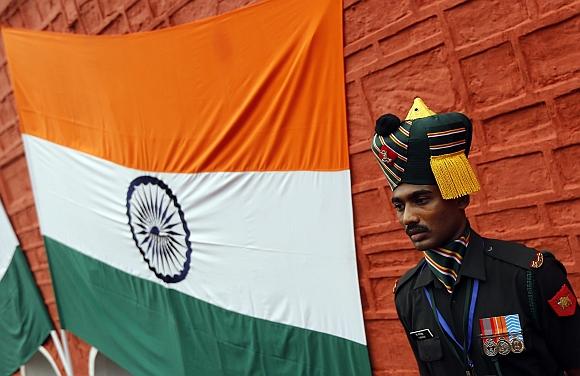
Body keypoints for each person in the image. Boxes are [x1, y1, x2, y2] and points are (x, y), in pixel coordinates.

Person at [370, 98, 580, 375]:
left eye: (421, 199)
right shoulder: (408, 294)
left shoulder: (529, 275)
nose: (407, 217)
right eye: (399, 205)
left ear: (459, 197)